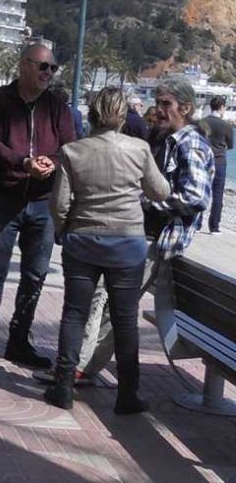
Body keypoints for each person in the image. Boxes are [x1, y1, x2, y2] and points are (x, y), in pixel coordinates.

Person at [68, 76, 215, 389]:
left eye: (166, 104)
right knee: (108, 303)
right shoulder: (164, 140)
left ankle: (82, 368)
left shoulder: (190, 145)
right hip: (138, 235)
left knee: (113, 305)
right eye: (158, 102)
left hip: (158, 240)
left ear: (185, 108)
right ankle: (83, 366)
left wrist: (148, 203)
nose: (158, 110)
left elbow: (196, 197)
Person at [43, 87, 169, 414]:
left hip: (83, 241)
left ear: (92, 113)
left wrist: (64, 228)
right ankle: (128, 393)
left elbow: (58, 203)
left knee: (75, 313)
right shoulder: (139, 149)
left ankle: (64, 386)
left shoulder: (72, 151)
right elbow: (160, 192)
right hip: (127, 245)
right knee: (125, 319)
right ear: (122, 114)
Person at [0, 44, 76, 367]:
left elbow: (70, 146)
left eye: (52, 68)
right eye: (42, 67)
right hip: (4, 199)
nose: (48, 74)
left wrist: (49, 163)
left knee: (35, 275)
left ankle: (19, 341)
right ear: (23, 66)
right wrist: (23, 162)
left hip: (43, 203)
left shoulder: (57, 106)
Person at [200, 96, 232, 234]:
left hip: (203, 160)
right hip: (219, 161)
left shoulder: (202, 123)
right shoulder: (225, 125)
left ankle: (196, 224)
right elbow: (230, 145)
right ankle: (214, 227)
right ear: (221, 107)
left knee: (201, 192)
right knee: (217, 195)